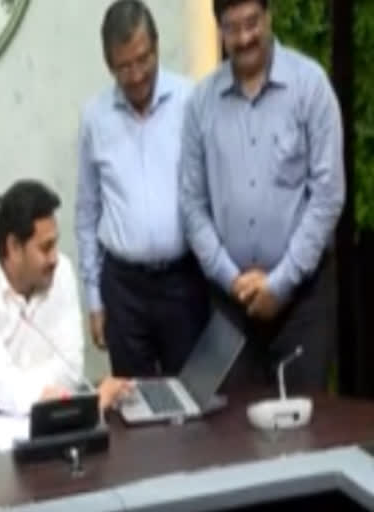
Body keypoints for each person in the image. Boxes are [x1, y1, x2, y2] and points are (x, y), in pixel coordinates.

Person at [179, 0, 345, 391]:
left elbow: (327, 195)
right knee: (233, 434)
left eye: (252, 23)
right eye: (232, 27)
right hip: (229, 304)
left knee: (306, 432)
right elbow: (192, 206)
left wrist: (280, 284)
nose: (244, 37)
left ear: (269, 16)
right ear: (219, 30)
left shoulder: (311, 86)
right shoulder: (201, 104)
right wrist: (233, 279)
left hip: (303, 301)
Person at [76, 0, 209, 378]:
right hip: (124, 290)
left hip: (184, 283)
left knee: (192, 407)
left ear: (156, 47)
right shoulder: (95, 118)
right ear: (109, 65)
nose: (136, 75)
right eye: (124, 66)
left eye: (143, 59)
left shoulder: (191, 101)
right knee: (134, 409)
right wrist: (94, 300)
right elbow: (87, 214)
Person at [0, 180, 133, 416]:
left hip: (51, 420)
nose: (55, 258)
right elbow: (10, 395)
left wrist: (25, 388)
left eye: (55, 244)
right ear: (14, 247)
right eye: (45, 248)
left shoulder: (61, 274)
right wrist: (42, 391)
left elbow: (71, 370)